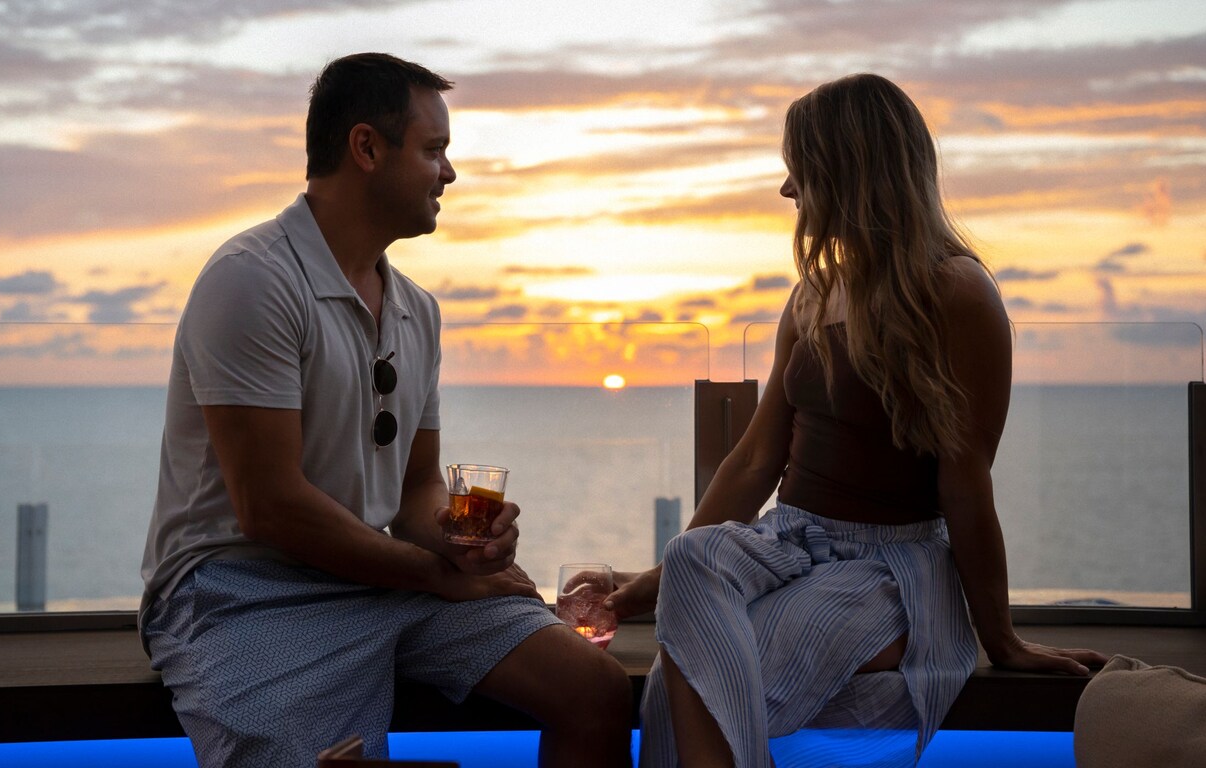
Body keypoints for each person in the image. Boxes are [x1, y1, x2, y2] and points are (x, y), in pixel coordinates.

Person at [138, 52, 632, 768]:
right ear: (366, 147)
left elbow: (415, 491)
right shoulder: (252, 282)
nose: (450, 173)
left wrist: (465, 541)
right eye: (434, 151)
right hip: (237, 586)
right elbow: (269, 507)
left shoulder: (415, 312)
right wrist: (435, 575)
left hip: (378, 574)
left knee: (596, 690)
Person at [605, 73, 1108, 767]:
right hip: (791, 542)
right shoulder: (814, 295)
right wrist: (646, 586)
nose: (787, 192)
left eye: (799, 172)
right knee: (695, 554)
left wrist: (1002, 637)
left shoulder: (959, 295)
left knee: (705, 668)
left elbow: (965, 483)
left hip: (888, 564)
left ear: (849, 171)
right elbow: (756, 460)